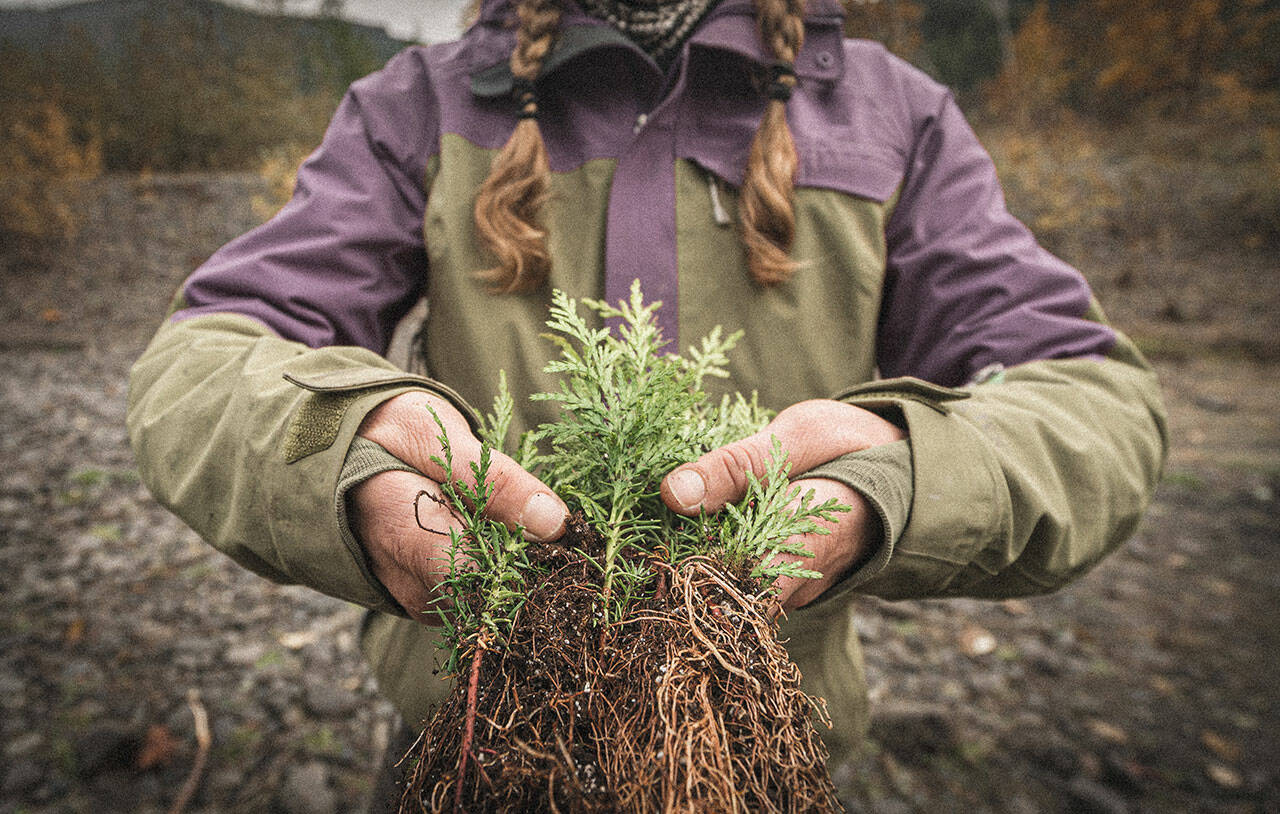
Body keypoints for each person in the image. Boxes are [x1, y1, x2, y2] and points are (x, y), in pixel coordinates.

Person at [126, 0, 1167, 779]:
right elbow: (206, 360)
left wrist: (894, 476)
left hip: (755, 744)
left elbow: (1089, 401)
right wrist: (350, 453)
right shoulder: (421, 106)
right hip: (481, 732)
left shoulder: (894, 117)